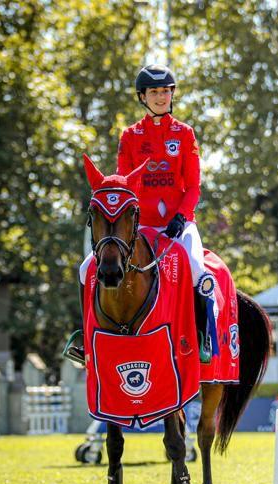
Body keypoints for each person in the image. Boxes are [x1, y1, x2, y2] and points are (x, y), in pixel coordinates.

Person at [78, 64, 217, 362]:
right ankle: (85, 339)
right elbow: (125, 186)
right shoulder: (130, 136)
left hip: (178, 224)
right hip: (140, 226)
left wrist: (182, 216)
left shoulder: (185, 134)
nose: (161, 96)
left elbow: (193, 185)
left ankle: (204, 336)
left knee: (197, 268)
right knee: (86, 268)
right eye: (154, 91)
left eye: (166, 91)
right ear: (142, 96)